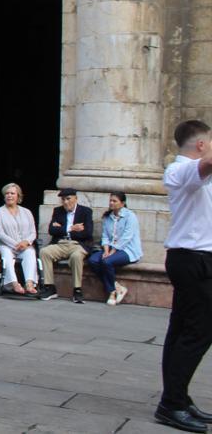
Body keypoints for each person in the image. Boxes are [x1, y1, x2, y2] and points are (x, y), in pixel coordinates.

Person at [155, 120, 212, 433]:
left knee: (181, 331)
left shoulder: (198, 174)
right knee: (199, 332)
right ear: (201, 145)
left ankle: (178, 398)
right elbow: (205, 167)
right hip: (191, 261)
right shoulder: (180, 171)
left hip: (196, 259)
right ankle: (171, 404)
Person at [37, 188, 94, 303]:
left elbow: (87, 233)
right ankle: (50, 287)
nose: (66, 202)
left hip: (77, 244)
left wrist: (61, 229)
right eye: (63, 200)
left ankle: (77, 290)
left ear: (76, 198)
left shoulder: (85, 211)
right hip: (61, 243)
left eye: (68, 199)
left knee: (76, 256)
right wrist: (71, 228)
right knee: (45, 252)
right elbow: (52, 230)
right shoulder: (58, 211)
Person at [87, 191, 141, 306]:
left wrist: (112, 252)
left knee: (107, 262)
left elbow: (127, 237)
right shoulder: (108, 217)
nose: (111, 203)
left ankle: (111, 293)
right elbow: (105, 236)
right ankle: (116, 287)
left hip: (127, 250)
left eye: (114, 201)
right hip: (111, 248)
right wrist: (106, 250)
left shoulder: (130, 216)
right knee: (93, 260)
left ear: (122, 203)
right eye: (110, 201)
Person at [0, 183, 39, 296]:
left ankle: (29, 283)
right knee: (6, 254)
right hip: (6, 245)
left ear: (18, 196)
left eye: (12, 193)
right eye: (7, 193)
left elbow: (33, 232)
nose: (9, 196)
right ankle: (14, 283)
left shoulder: (27, 212)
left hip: (24, 245)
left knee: (30, 253)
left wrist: (26, 242)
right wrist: (16, 244)